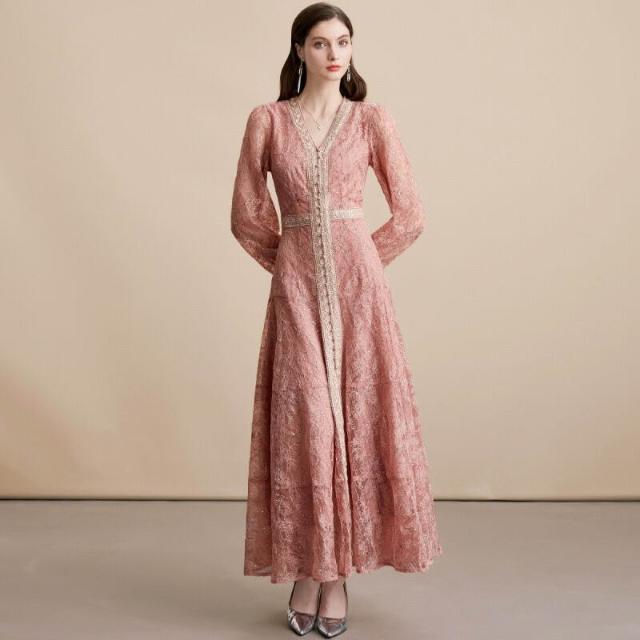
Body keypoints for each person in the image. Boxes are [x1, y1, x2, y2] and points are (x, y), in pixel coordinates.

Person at [230, 2, 443, 636]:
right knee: (310, 427)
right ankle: (309, 567)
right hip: (295, 295)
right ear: (300, 49)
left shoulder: (372, 120)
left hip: (361, 297)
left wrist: (360, 267)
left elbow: (411, 213)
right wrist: (292, 266)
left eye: (343, 42)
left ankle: (336, 578)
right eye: (320, 43)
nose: (333, 54)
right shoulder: (267, 121)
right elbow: (247, 215)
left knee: (354, 422)